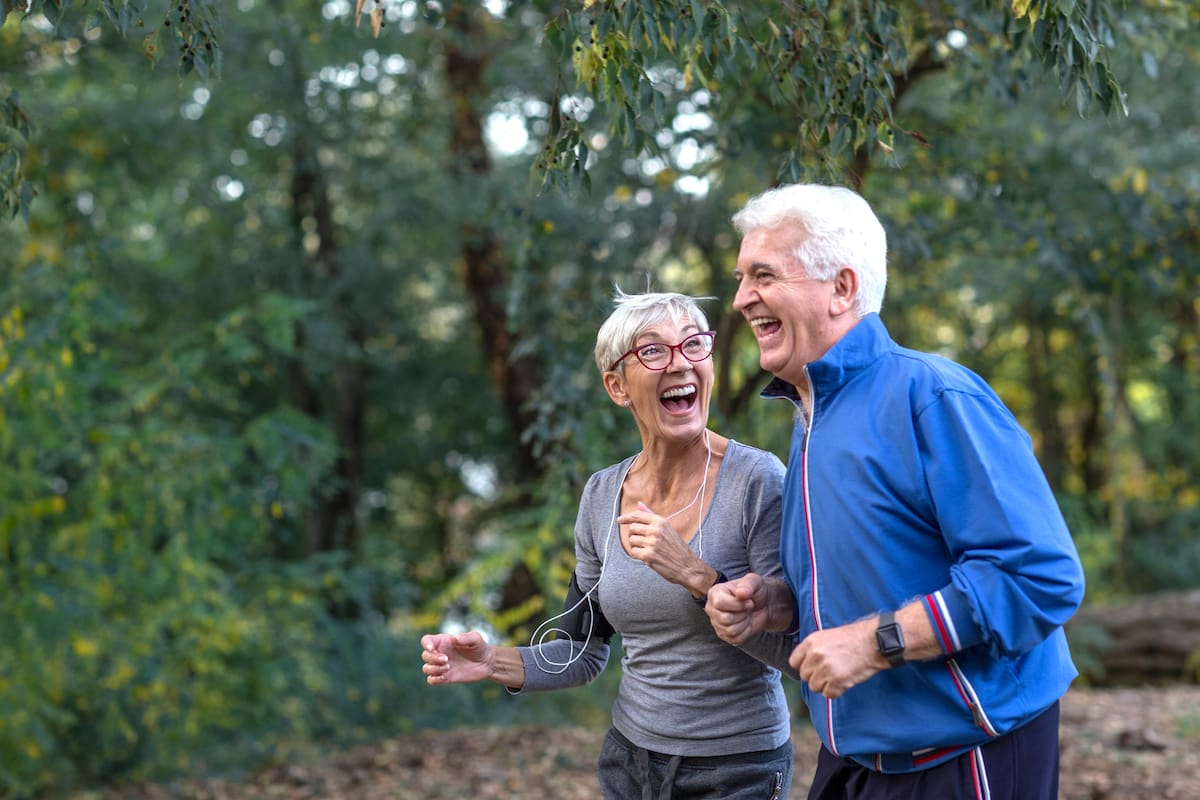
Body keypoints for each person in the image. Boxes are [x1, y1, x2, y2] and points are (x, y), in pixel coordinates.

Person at [706, 183, 1086, 800]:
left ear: (842, 288)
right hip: (856, 758)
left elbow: (1038, 577)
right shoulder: (810, 417)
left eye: (764, 275)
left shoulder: (932, 395)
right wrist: (783, 604)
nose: (742, 297)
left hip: (965, 752)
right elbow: (885, 573)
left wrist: (874, 642)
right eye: (742, 277)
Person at [421, 289, 799, 799]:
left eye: (693, 344)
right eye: (653, 351)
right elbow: (582, 650)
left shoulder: (757, 480)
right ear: (617, 386)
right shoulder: (602, 495)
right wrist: (493, 662)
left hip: (738, 768)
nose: (679, 363)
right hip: (630, 763)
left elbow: (793, 648)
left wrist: (697, 577)